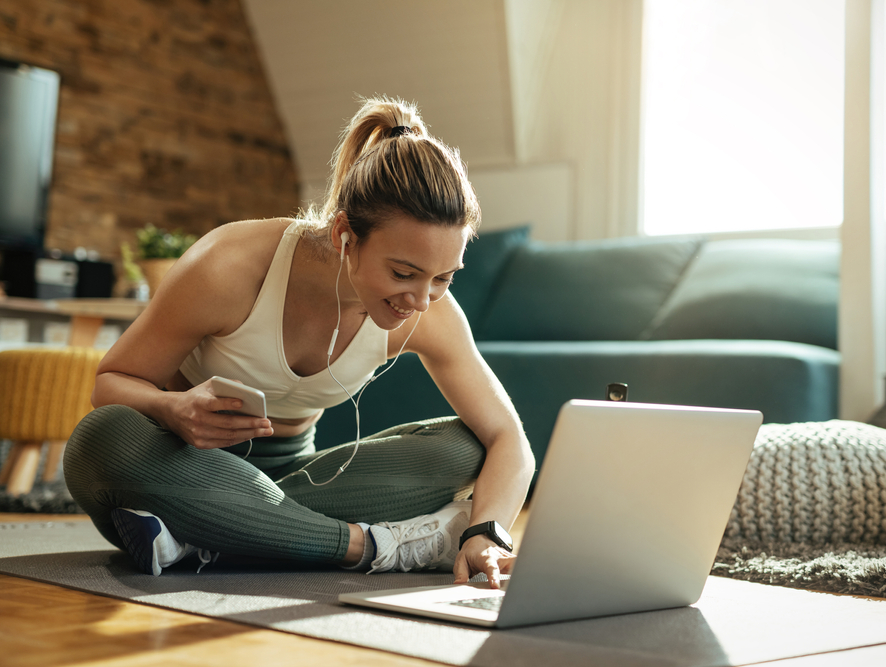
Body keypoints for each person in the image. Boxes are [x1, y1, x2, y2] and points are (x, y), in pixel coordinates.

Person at [64, 97, 535, 588]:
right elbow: (109, 383)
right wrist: (172, 408)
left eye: (444, 278)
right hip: (185, 467)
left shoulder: (430, 312)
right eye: (403, 273)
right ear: (344, 235)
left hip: (308, 479)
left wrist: (487, 533)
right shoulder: (229, 267)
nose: (420, 301)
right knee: (101, 439)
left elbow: (510, 440)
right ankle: (375, 546)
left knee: (467, 447)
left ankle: (201, 537)